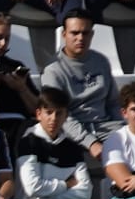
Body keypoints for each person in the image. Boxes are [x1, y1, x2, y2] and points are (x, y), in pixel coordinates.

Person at [17, 86, 116, 199]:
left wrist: (49, 190)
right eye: (48, 112)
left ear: (65, 116)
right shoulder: (28, 141)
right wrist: (66, 184)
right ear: (38, 113)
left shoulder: (71, 147)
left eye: (59, 113)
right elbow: (32, 188)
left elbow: (85, 192)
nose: (53, 118)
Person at [42, 11, 121, 149]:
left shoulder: (101, 61)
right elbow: (60, 115)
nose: (80, 38)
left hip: (107, 127)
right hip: (73, 132)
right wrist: (90, 142)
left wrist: (126, 130)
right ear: (64, 34)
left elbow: (113, 103)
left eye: (85, 33)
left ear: (92, 34)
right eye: (75, 33)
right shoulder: (53, 70)